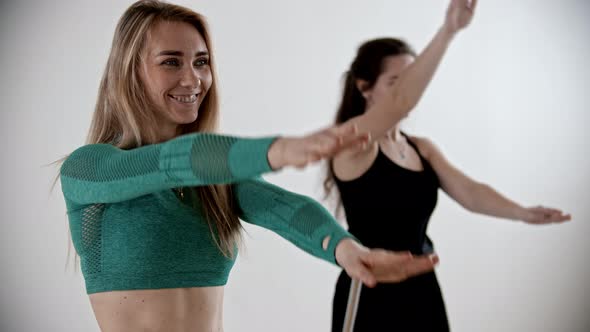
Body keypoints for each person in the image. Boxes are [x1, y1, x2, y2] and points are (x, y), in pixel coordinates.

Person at [59, 1, 445, 331]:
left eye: (201, 61)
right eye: (171, 62)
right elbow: (172, 162)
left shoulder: (214, 182)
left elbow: (284, 208)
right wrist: (281, 150)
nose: (192, 78)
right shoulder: (88, 170)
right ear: (129, 71)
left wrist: (346, 251)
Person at [324, 0, 571, 331]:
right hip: (369, 290)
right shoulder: (352, 146)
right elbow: (402, 103)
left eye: (413, 78)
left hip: (422, 289)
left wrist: (522, 212)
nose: (410, 88)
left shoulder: (421, 149)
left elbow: (470, 192)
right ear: (364, 87)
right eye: (396, 80)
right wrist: (448, 30)